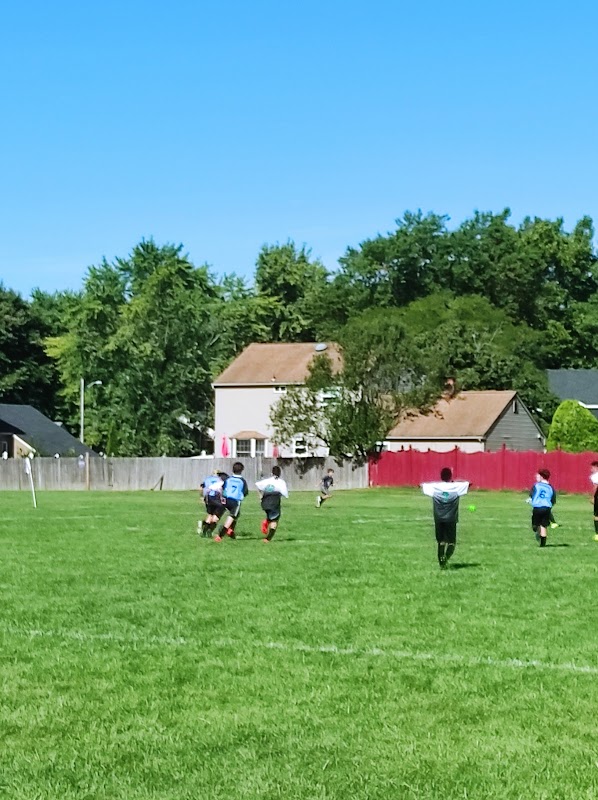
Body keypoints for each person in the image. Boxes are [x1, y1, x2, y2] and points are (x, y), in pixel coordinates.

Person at [421, 467, 470, 569]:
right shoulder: (456, 487)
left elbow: (421, 485)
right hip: (451, 518)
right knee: (451, 542)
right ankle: (445, 558)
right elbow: (469, 484)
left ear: (441, 476)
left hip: (438, 518)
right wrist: (455, 481)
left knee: (441, 541)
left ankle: (441, 563)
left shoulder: (435, 487)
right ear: (450, 476)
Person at [216, 462, 249, 542]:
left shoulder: (228, 479)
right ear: (242, 470)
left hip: (226, 500)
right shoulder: (242, 481)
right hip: (235, 501)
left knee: (237, 514)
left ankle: (231, 531)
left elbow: (223, 488)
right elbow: (245, 492)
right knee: (232, 516)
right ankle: (221, 535)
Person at [256, 465, 289, 542]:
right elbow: (285, 494)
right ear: (280, 474)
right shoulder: (281, 482)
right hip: (274, 502)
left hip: (265, 502)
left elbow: (258, 485)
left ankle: (266, 521)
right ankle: (268, 538)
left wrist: (260, 496)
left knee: (271, 515)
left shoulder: (267, 481)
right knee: (275, 519)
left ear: (272, 473)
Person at [529, 468, 556, 548]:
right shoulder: (551, 487)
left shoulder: (536, 485)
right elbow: (553, 499)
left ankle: (538, 532)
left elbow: (531, 494)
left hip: (537, 507)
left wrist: (532, 500)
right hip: (547, 507)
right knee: (544, 525)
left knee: (535, 525)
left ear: (541, 477)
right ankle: (543, 544)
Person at [199, 470, 228, 538]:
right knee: (216, 517)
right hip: (217, 499)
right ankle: (210, 531)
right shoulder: (222, 481)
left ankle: (204, 532)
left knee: (210, 515)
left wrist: (202, 496)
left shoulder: (208, 479)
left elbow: (204, 487)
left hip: (209, 498)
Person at [590, 461, 598, 541]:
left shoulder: (595, 476)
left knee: (596, 516)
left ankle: (597, 534)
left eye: (592, 467)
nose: (591, 469)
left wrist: (593, 497)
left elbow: (595, 486)